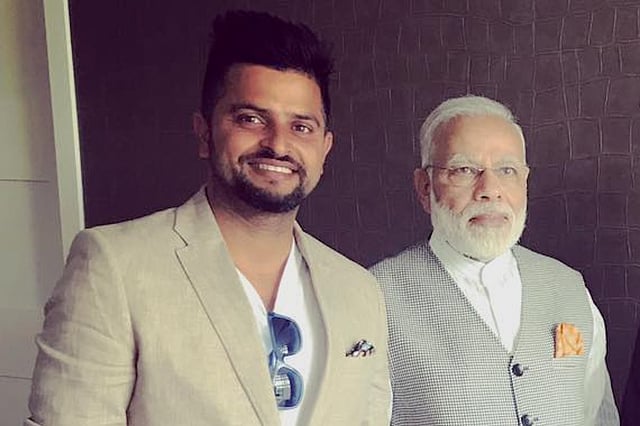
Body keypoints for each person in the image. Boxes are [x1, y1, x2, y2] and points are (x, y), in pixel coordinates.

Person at [26, 10, 389, 426]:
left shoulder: (359, 290)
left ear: (325, 149)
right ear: (204, 133)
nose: (278, 144)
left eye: (301, 127)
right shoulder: (113, 267)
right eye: (251, 119)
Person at [371, 95, 619, 425]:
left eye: (507, 170)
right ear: (424, 187)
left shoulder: (570, 287)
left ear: (525, 183)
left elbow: (597, 417)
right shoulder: (375, 298)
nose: (490, 189)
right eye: (464, 170)